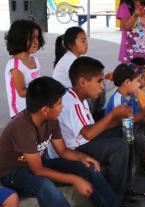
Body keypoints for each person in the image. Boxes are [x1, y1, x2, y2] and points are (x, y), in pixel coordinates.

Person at [0, 77, 119, 207]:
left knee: (87, 167)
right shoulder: (22, 128)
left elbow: (62, 151)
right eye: (59, 103)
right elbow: (38, 171)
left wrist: (83, 157)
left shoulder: (51, 120)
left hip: (37, 164)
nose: (62, 106)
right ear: (45, 110)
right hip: (13, 173)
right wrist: (74, 179)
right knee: (45, 186)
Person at [52, 56, 135, 206]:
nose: (103, 86)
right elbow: (89, 133)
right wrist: (112, 115)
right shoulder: (72, 103)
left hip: (86, 142)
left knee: (125, 132)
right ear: (83, 81)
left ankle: (125, 188)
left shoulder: (80, 99)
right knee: (119, 146)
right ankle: (116, 197)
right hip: (75, 149)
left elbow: (94, 127)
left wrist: (119, 119)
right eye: (99, 81)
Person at [105, 62, 145, 176]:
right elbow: (123, 125)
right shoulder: (118, 100)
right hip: (120, 133)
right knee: (139, 142)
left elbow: (135, 117)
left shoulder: (131, 95)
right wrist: (143, 114)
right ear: (127, 82)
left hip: (133, 127)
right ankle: (135, 168)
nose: (139, 83)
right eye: (137, 80)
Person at [53, 27, 105, 121]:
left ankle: (97, 113)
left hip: (70, 89)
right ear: (71, 45)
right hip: (63, 93)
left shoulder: (77, 57)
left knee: (100, 83)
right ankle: (88, 118)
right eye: (83, 41)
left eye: (86, 40)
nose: (86, 44)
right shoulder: (69, 60)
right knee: (87, 93)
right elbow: (83, 81)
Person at [4, 19, 44, 118]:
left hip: (33, 108)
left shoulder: (34, 60)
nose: (36, 42)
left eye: (37, 38)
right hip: (20, 113)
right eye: (31, 38)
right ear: (19, 39)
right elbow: (21, 92)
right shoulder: (15, 65)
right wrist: (44, 91)